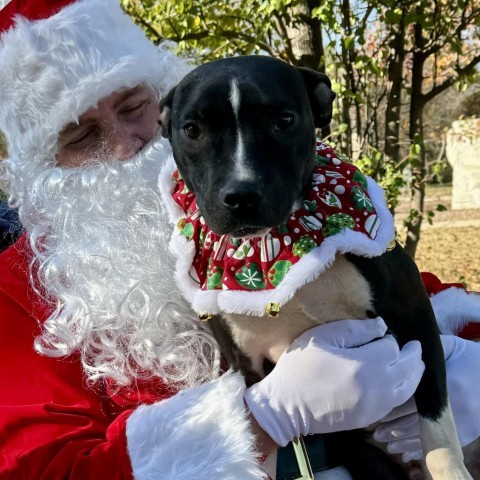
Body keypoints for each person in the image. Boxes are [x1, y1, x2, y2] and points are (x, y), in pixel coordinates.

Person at [0, 1, 478, 479]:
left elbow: (409, 294)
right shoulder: (18, 290)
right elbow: (41, 468)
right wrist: (263, 420)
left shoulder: (284, 199)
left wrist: (464, 366)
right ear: (41, 165)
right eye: (83, 136)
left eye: (133, 108)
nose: (128, 146)